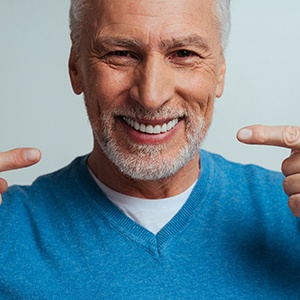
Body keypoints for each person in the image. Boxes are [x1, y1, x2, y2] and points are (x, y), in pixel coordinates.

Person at [1, 0, 300, 298]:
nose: (151, 96)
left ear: (219, 71)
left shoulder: (292, 214)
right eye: (121, 54)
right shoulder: (8, 230)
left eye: (184, 54)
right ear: (76, 67)